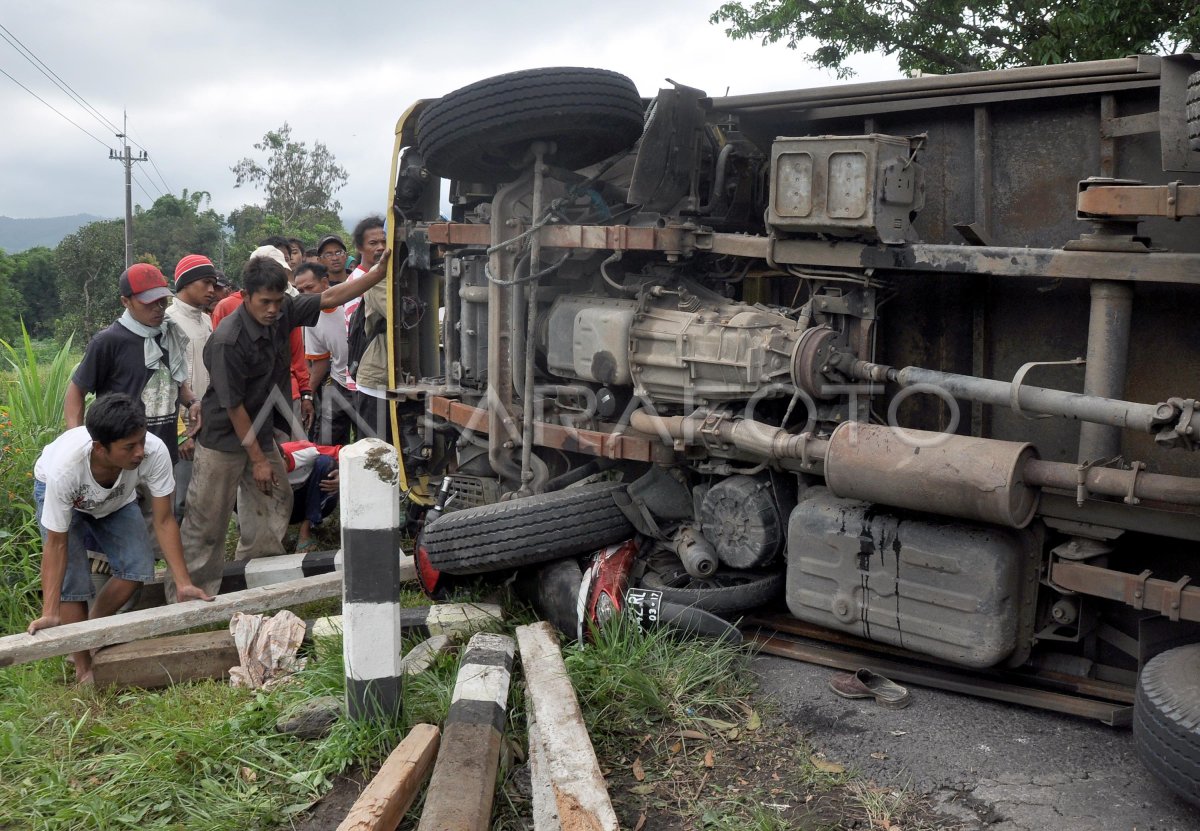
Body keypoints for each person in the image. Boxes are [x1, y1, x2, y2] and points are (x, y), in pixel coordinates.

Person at [173, 246, 392, 600]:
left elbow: (331, 294)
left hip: (259, 429)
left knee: (277, 495)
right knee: (207, 520)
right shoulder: (229, 340)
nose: (273, 310)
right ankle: (189, 595)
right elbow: (233, 406)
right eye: (265, 303)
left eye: (278, 301)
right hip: (223, 438)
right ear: (245, 297)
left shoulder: (283, 311)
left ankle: (257, 572)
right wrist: (258, 459)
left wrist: (376, 275)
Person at [29, 394, 212, 682]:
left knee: (137, 566)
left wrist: (183, 582)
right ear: (101, 448)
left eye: (141, 440)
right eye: (129, 447)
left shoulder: (154, 451)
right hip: (64, 495)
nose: (140, 452)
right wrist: (50, 611)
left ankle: (89, 631)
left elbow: (164, 520)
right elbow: (57, 545)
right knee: (73, 583)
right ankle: (82, 668)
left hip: (116, 499)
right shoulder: (65, 470)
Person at [65, 263, 202, 466]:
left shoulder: (169, 334)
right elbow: (76, 391)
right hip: (122, 456)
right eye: (149, 302)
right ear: (125, 301)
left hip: (163, 453)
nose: (159, 308)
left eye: (162, 301)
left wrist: (192, 402)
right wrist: (77, 441)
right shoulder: (108, 341)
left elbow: (172, 382)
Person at [165, 254, 218, 521]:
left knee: (201, 498)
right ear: (185, 283)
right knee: (178, 501)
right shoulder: (168, 322)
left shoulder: (206, 320)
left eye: (213, 284)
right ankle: (172, 560)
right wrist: (180, 433)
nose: (211, 290)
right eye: (206, 283)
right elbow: (164, 383)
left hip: (204, 422)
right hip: (181, 428)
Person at [295, 263, 353, 445]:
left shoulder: (349, 303)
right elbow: (320, 362)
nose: (305, 293)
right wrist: (308, 397)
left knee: (367, 441)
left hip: (364, 383)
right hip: (338, 383)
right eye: (300, 290)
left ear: (325, 283)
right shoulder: (310, 317)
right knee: (325, 441)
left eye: (310, 287)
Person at [346, 216, 390, 439]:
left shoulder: (391, 274)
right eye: (373, 243)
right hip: (376, 378)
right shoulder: (373, 279)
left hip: (390, 378)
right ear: (360, 247)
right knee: (376, 453)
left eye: (385, 241)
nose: (381, 247)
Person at [280, 440, 340, 553]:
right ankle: (278, 536)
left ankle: (305, 532)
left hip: (309, 501)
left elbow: (341, 452)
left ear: (284, 457)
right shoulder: (253, 468)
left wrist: (342, 474)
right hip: (279, 507)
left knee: (327, 463)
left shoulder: (303, 451)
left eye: (276, 465)